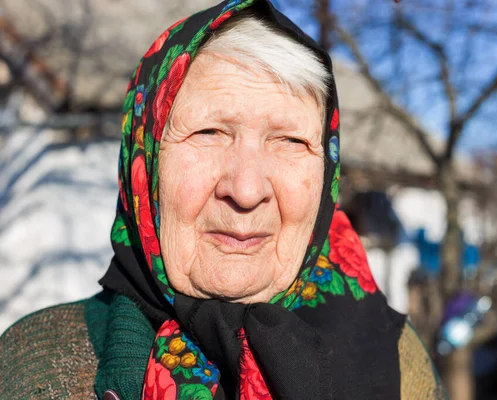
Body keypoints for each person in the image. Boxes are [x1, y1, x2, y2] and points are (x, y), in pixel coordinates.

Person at [0, 1, 446, 399]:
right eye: (209, 133)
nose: (247, 191)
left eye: (290, 140)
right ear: (144, 165)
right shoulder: (38, 365)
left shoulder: (397, 363)